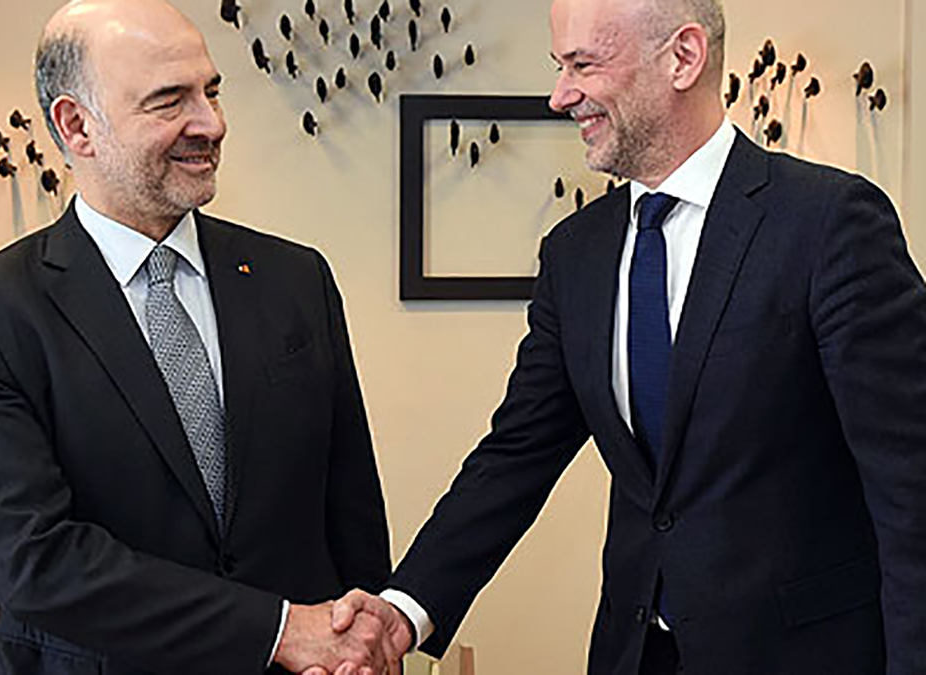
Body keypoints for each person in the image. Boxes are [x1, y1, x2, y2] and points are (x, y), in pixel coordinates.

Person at [326, 0, 926, 673]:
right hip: (635, 654)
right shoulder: (575, 252)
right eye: (559, 67)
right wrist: (404, 609)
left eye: (583, 65)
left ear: (683, 58)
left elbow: (911, 487)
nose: (560, 96)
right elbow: (516, 455)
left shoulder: (829, 223)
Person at [0, 1, 398, 673]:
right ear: (77, 125)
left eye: (211, 92)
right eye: (170, 101)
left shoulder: (297, 278)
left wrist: (361, 641)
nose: (212, 123)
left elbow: (350, 511)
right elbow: (35, 560)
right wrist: (279, 630)